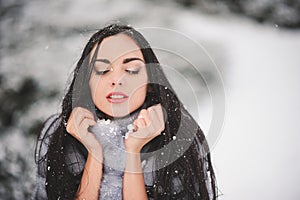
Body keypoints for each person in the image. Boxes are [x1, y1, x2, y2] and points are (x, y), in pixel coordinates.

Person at [32, 24, 217, 200]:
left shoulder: (180, 136)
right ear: (86, 82)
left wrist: (134, 151)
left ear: (151, 82)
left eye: (131, 70)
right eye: (103, 70)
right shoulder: (57, 132)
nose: (117, 80)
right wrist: (94, 155)